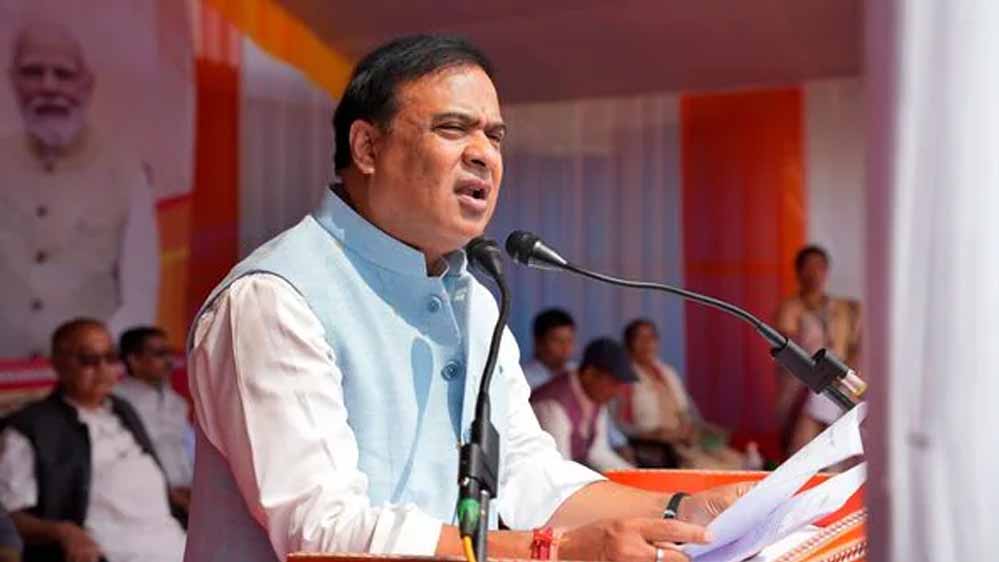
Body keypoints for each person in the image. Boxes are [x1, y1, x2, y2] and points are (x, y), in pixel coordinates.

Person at [185, 35, 748, 562]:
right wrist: (556, 551)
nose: (484, 155)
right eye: (454, 129)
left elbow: (527, 474)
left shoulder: (474, 301)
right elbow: (325, 531)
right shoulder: (273, 300)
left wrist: (678, 512)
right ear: (367, 147)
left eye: (494, 136)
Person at [0, 21, 159, 359]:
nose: (48, 86)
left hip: (85, 378)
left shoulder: (126, 174)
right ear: (12, 80)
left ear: (86, 85)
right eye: (33, 72)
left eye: (63, 74)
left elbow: (139, 297)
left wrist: (93, 363)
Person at [0, 318, 186, 562]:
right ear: (58, 364)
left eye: (110, 357)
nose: (103, 368)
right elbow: (11, 515)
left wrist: (178, 496)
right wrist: (63, 531)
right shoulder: (31, 427)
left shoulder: (122, 410)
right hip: (109, 552)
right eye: (89, 359)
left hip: (174, 544)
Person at [613, 319, 760, 470]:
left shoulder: (668, 374)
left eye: (651, 337)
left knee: (739, 461)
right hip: (659, 448)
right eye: (641, 338)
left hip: (688, 440)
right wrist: (653, 434)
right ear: (628, 343)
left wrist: (706, 428)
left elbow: (690, 414)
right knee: (713, 469)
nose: (647, 343)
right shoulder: (624, 379)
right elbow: (617, 426)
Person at [774, 245, 862, 455]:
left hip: (841, 383)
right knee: (805, 446)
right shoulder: (790, 308)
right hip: (805, 386)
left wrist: (844, 373)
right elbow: (789, 350)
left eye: (819, 267)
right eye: (809, 267)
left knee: (839, 447)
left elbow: (856, 344)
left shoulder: (845, 308)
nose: (814, 273)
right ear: (799, 272)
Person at [114, 327, 194, 515]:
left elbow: (189, 449)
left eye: (169, 353)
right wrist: (167, 491)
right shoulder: (116, 401)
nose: (169, 361)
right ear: (134, 360)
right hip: (143, 499)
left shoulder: (176, 402)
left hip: (189, 494)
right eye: (159, 354)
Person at [531, 338, 637, 471]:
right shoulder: (553, 405)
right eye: (613, 383)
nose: (617, 392)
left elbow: (597, 452)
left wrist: (635, 475)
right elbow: (559, 467)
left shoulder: (595, 396)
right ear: (590, 374)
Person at [521, 308, 577, 390]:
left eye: (569, 340)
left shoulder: (576, 374)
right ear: (538, 342)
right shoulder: (522, 379)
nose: (565, 347)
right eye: (557, 340)